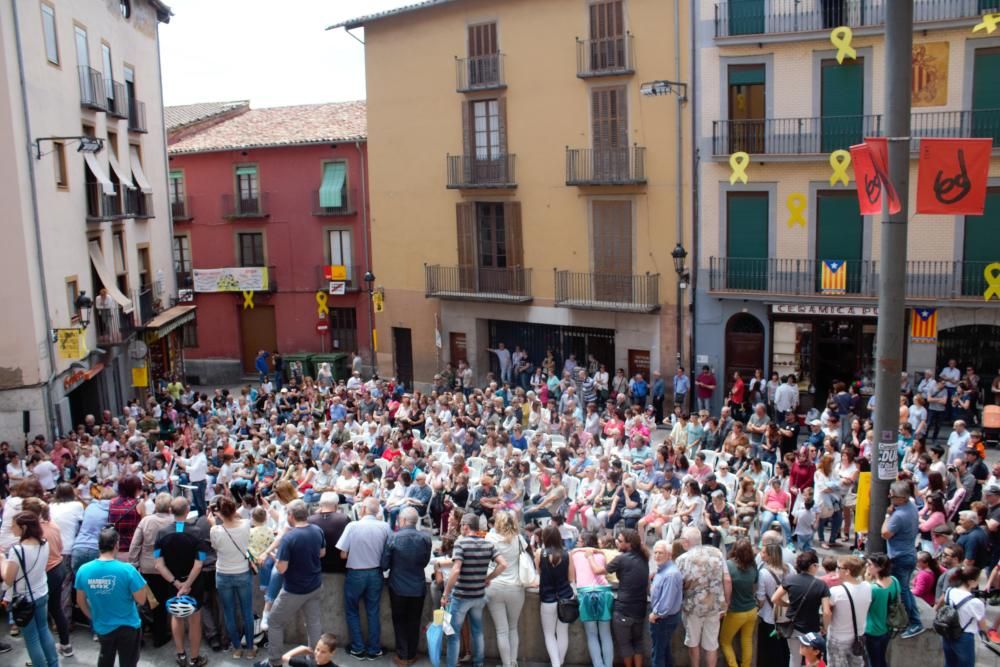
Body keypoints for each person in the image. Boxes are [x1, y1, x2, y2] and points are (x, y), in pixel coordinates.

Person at [261, 500, 326, 667]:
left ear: (290, 516)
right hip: (315, 586)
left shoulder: (289, 538)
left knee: (274, 622)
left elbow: (282, 569)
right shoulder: (317, 530)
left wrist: (275, 558)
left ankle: (274, 662)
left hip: (294, 590)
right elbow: (322, 553)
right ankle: (315, 660)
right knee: (313, 623)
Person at [441, 513, 508, 667]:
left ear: (465, 526)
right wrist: (488, 578)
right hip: (479, 595)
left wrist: (445, 593)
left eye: (461, 526)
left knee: (454, 634)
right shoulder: (488, 544)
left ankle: (451, 664)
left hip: (462, 595)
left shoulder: (461, 544)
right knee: (478, 631)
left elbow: (456, 570)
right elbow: (503, 564)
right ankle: (478, 663)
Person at [76, 526, 147, 667]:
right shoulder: (127, 570)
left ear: (99, 545)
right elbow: (142, 599)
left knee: (105, 658)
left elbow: (80, 601)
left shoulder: (84, 570)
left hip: (102, 625)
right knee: (128, 662)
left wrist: (92, 616)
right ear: (116, 545)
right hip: (128, 625)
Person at [154, 496, 208, 667]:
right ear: (187, 511)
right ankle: (194, 658)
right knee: (194, 619)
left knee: (176, 615)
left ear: (170, 511)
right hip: (193, 584)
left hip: (173, 583)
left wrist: (176, 583)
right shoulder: (197, 532)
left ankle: (181, 655)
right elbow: (199, 563)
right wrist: (187, 584)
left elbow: (158, 564)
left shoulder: (161, 533)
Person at [336, 497, 391, 660]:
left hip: (355, 573)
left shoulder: (352, 526)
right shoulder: (385, 527)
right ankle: (374, 649)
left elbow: (343, 554)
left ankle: (358, 648)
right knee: (373, 611)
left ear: (363, 509)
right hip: (376, 573)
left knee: (352, 611)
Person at [586, 528, 650, 667]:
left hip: (624, 608)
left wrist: (590, 556)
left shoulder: (621, 559)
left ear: (629, 544)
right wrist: (600, 551)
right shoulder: (644, 557)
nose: (617, 542)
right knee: (638, 641)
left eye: (620, 541)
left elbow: (598, 571)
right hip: (640, 607)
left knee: (625, 643)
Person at [2, 511, 59, 667]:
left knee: (32, 637)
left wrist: (2, 561)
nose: (12, 529)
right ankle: (53, 663)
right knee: (43, 630)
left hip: (24, 599)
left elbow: (8, 579)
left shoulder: (17, 551)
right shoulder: (44, 543)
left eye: (14, 526)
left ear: (24, 527)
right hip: (41, 592)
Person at [381, 507, 432, 667]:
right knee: (414, 621)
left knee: (399, 621)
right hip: (418, 586)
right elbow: (424, 561)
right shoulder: (425, 538)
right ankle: (411, 654)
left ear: (402, 520)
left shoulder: (393, 538)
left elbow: (384, 564)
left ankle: (402, 656)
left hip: (397, 586)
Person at [209, 495, 257, 660]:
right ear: (234, 510)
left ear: (219, 513)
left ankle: (237, 648)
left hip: (223, 574)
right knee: (247, 612)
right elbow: (238, 517)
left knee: (229, 612)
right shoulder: (245, 525)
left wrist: (217, 520)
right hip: (242, 573)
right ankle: (250, 648)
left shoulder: (215, 530)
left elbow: (215, 547)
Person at [675, 526, 730, 667]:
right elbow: (727, 579)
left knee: (693, 644)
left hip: (692, 608)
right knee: (711, 645)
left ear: (686, 542)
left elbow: (678, 585)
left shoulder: (682, 560)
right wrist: (726, 603)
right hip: (714, 607)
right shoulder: (717, 553)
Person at [127, 491, 175, 647]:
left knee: (145, 603)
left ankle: (140, 635)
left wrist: (133, 563)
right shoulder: (174, 521)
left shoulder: (146, 521)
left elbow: (135, 544)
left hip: (147, 567)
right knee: (161, 604)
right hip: (167, 568)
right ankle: (159, 636)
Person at [880, 480, 924, 638]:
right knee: (905, 589)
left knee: (903, 591)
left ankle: (915, 622)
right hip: (909, 554)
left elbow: (885, 533)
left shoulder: (898, 516)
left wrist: (887, 515)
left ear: (902, 498)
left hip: (900, 557)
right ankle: (914, 617)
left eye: (892, 496)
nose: (889, 497)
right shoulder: (911, 505)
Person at [772, 550, 831, 667]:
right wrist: (825, 627)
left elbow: (775, 599)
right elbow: (826, 611)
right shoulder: (821, 585)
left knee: (794, 656)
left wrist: (788, 605)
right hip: (812, 628)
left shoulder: (790, 580)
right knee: (813, 659)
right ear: (813, 566)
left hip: (793, 627)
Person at [486, 511, 528, 667]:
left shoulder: (490, 539)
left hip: (494, 586)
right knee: (513, 627)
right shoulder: (519, 539)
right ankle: (513, 662)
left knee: (501, 631)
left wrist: (487, 578)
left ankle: (506, 664)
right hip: (516, 588)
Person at [570, 531, 614, 667]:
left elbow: (571, 578)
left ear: (583, 541)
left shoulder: (574, 554)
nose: (577, 542)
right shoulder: (601, 554)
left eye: (579, 540)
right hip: (604, 591)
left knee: (592, 634)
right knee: (606, 634)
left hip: (585, 592)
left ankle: (598, 665)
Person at [536, 525, 574, 667]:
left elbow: (539, 574)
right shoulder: (567, 554)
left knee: (549, 634)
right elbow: (571, 578)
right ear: (559, 537)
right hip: (566, 597)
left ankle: (556, 664)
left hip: (547, 599)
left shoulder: (540, 553)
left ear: (544, 537)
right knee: (562, 632)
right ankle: (560, 663)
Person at [826, 556, 871, 667]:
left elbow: (827, 612)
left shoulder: (836, 591)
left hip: (838, 638)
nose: (836, 570)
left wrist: (824, 627)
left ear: (847, 571)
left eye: (838, 567)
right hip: (858, 636)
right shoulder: (867, 587)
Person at [719, 539, 758, 667]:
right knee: (747, 641)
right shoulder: (753, 566)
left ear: (734, 550)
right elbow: (755, 584)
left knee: (725, 642)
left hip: (736, 612)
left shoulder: (728, 565)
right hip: (752, 611)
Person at [940, 566, 988, 667]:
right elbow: (982, 624)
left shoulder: (949, 591)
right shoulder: (976, 602)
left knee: (949, 663)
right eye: (977, 580)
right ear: (971, 581)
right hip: (964, 636)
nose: (978, 583)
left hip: (947, 632)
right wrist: (986, 634)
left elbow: (944, 603)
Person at [648, 539, 683, 667]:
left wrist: (655, 614)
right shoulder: (662, 570)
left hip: (663, 619)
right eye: (655, 552)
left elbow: (666, 602)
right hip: (664, 618)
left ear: (669, 554)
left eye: (660, 553)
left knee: (658, 655)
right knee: (664, 651)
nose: (657, 555)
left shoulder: (670, 574)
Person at [757, 542, 791, 667]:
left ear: (771, 556)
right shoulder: (789, 569)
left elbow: (761, 597)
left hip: (769, 616)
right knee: (785, 648)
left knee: (770, 650)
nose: (761, 554)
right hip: (787, 615)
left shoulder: (763, 573)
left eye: (764, 552)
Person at [864, 553, 899, 667]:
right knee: (881, 658)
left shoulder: (872, 588)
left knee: (873, 661)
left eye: (870, 564)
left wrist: (866, 581)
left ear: (880, 568)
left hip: (872, 629)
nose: (866, 566)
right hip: (888, 626)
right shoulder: (894, 580)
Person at [308, 492, 350, 574]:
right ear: (337, 505)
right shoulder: (344, 519)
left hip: (316, 566)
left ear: (320, 504)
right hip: (339, 567)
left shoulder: (310, 520)